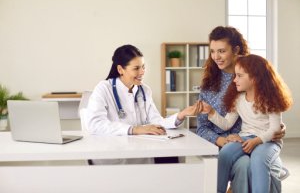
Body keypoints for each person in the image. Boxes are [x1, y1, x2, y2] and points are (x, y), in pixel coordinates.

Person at [196, 26, 287, 193]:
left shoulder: (252, 71)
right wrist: (221, 140)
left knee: (256, 162)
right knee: (243, 164)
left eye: (222, 51)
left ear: (236, 49)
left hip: (255, 140)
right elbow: (203, 127)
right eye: (213, 51)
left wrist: (276, 129)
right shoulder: (214, 87)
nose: (216, 57)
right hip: (230, 142)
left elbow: (270, 119)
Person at [85, 44, 201, 164]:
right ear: (120, 70)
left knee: (172, 158)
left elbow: (156, 121)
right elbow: (95, 124)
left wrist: (181, 115)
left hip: (141, 153)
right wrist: (134, 129)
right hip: (114, 155)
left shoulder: (144, 90)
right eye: (136, 68)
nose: (142, 72)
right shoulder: (104, 88)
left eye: (143, 67)